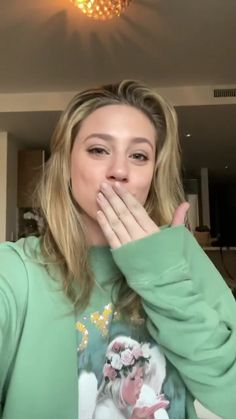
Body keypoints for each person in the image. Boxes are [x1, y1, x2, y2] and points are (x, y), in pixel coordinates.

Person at [0, 80, 235, 419]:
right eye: (98, 150)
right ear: (67, 164)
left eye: (138, 155)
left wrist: (159, 275)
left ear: (152, 175)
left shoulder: (181, 259)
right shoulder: (17, 269)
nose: (120, 171)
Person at [93, 335, 170, 419]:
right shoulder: (104, 411)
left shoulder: (144, 398)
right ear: (116, 381)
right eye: (132, 378)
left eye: (141, 376)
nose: (139, 383)